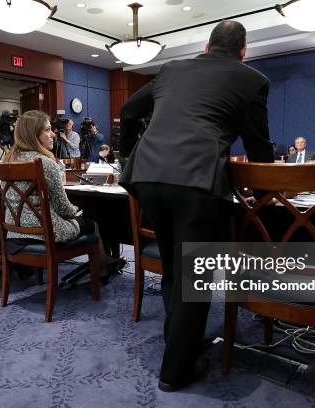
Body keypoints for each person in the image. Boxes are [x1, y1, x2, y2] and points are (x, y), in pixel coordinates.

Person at [119, 20, 273, 391]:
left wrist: (128, 158)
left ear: (206, 46)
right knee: (196, 277)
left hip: (147, 178)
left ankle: (181, 345)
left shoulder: (172, 68)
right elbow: (258, 148)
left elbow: (127, 111)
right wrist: (261, 192)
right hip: (197, 182)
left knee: (175, 267)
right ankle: (175, 373)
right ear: (243, 51)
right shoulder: (252, 79)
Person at [5, 110, 108, 270]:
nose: (53, 134)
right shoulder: (45, 162)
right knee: (92, 224)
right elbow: (63, 209)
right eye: (47, 130)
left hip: (14, 232)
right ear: (33, 134)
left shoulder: (7, 161)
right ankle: (103, 271)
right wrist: (74, 211)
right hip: (45, 232)